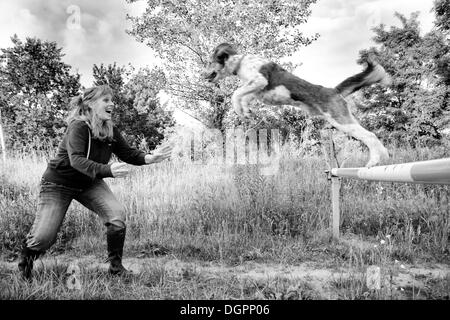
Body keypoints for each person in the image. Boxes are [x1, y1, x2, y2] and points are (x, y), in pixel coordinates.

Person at [18, 84, 172, 279]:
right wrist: (108, 170)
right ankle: (25, 261)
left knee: (116, 215)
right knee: (43, 238)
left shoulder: (110, 129)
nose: (112, 104)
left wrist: (149, 158)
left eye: (111, 100)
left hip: (88, 183)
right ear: (90, 104)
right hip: (58, 184)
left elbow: (127, 153)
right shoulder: (79, 126)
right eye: (106, 100)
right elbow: (77, 160)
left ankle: (116, 269)